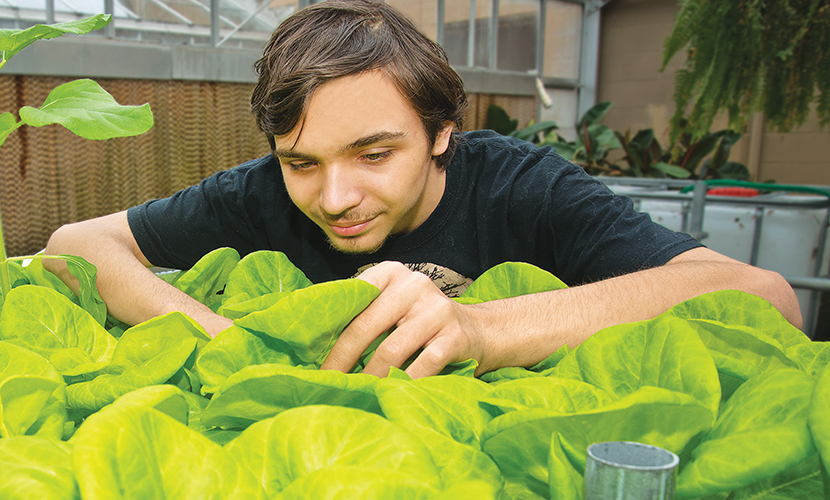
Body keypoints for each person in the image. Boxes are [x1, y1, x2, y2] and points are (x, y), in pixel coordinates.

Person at [44, 0, 800, 378]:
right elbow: (75, 244)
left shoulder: (522, 187)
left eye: (373, 153)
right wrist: (212, 335)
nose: (334, 195)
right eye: (301, 160)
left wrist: (481, 331)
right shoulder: (259, 193)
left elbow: (766, 297)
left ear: (442, 132)